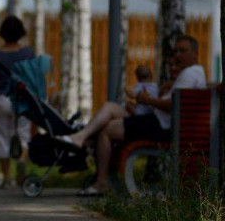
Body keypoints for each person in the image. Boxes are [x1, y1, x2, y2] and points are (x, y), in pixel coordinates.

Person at [67, 35, 206, 195]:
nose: (178, 55)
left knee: (106, 129)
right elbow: (174, 102)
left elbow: (173, 105)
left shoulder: (189, 74)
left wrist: (146, 100)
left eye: (183, 51)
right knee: (110, 108)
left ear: (195, 53)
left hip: (161, 127)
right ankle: (83, 137)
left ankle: (100, 181)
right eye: (176, 51)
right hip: (161, 122)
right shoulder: (194, 73)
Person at [0, 15, 34, 188]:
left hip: (0, 99)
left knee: (1, 138)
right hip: (21, 100)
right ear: (21, 32)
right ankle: (21, 162)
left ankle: (6, 177)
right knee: (23, 135)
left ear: (2, 33)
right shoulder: (28, 53)